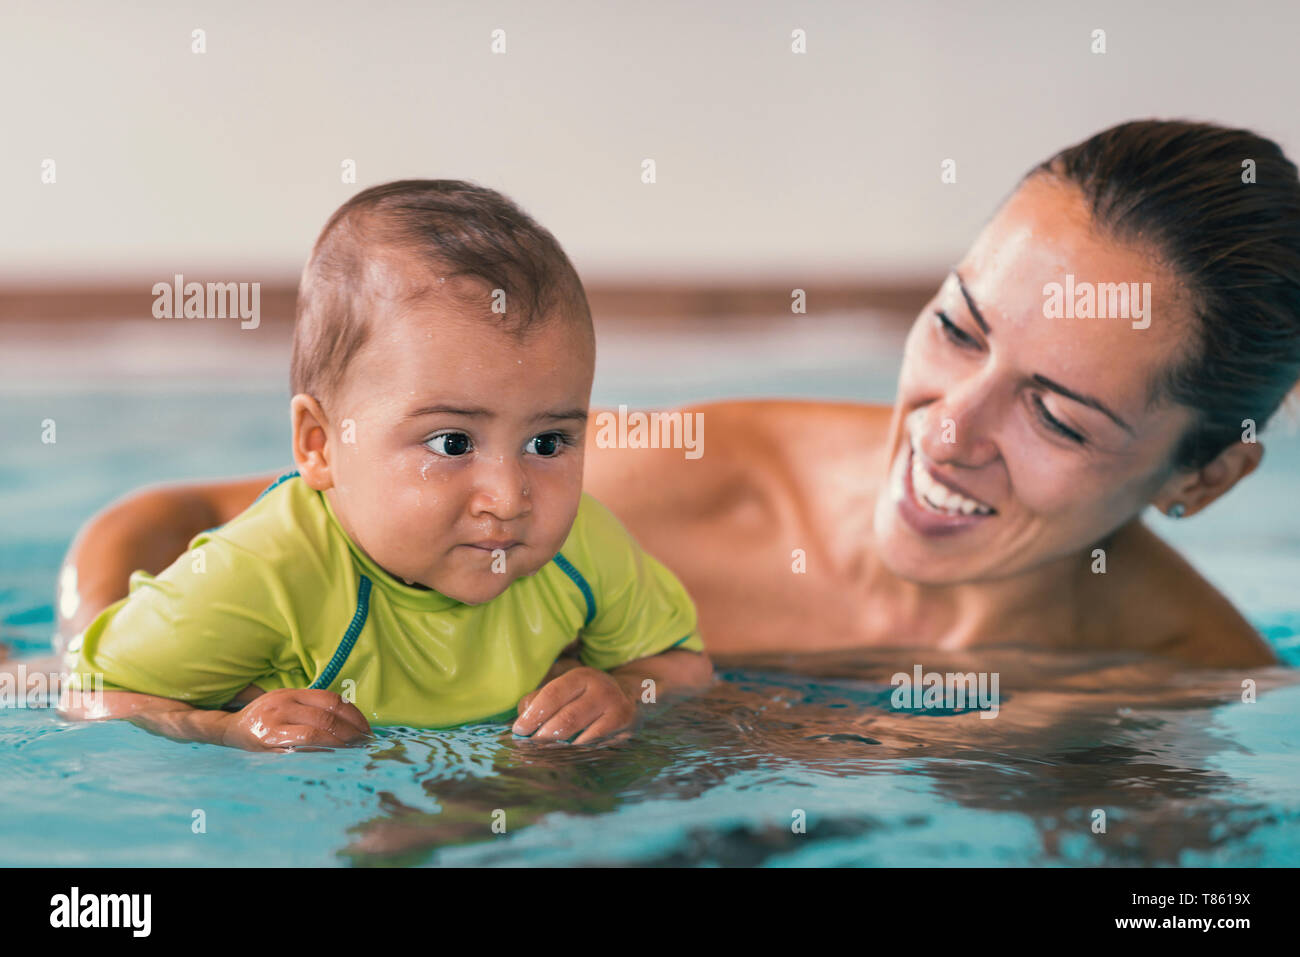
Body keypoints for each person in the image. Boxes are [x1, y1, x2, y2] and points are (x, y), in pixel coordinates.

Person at [59, 120, 1294, 683]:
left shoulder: (1184, 683)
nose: (946, 429)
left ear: (1202, 474)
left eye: (1059, 416)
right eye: (958, 329)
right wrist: (115, 695)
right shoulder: (688, 475)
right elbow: (157, 525)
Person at [56, 180, 712, 751]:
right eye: (453, 443)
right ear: (319, 444)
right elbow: (89, 695)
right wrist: (226, 729)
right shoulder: (264, 574)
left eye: (547, 443)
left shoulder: (583, 546)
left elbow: (682, 666)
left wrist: (625, 691)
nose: (509, 496)